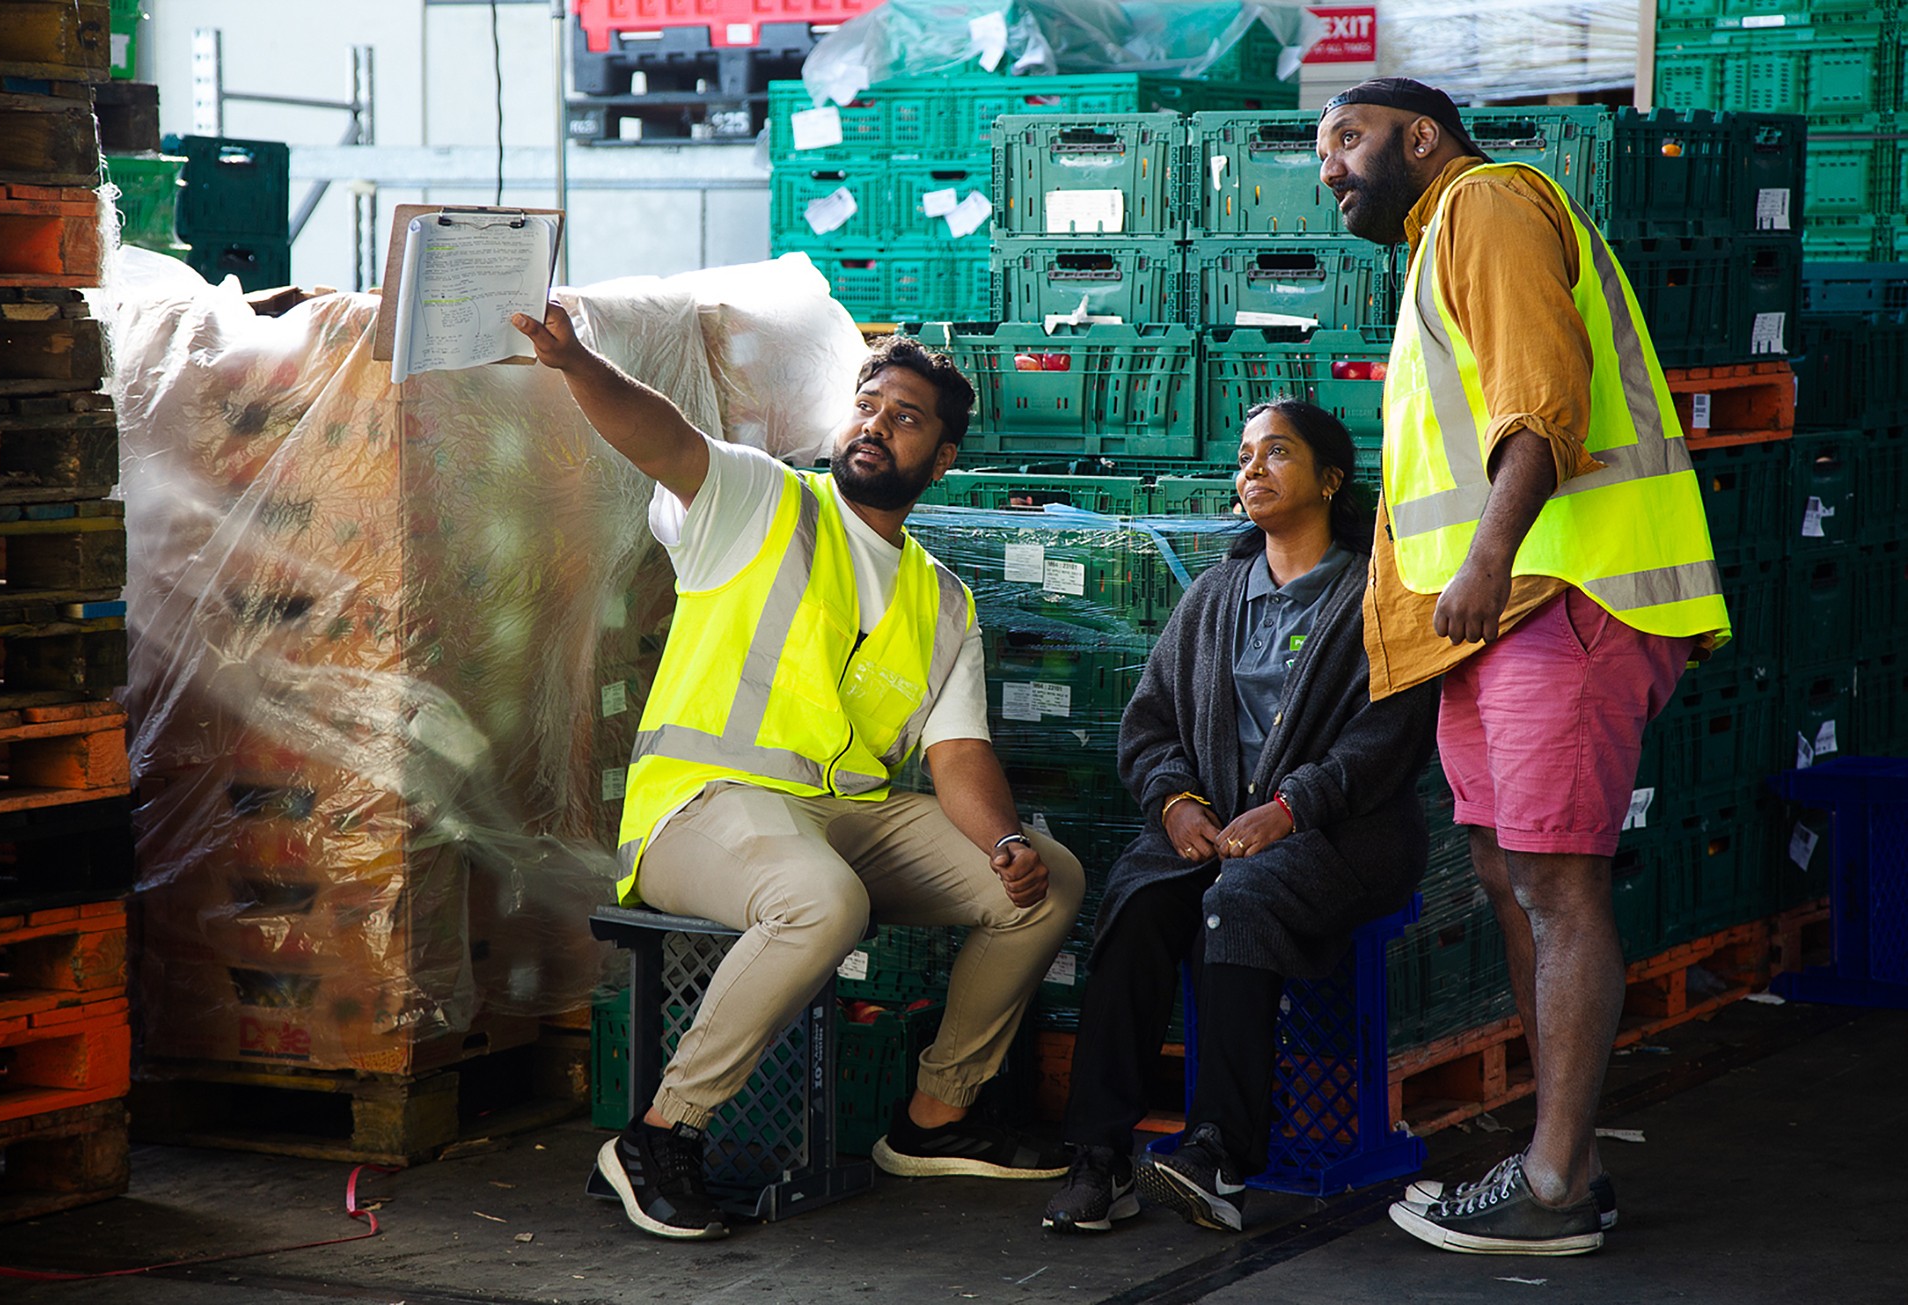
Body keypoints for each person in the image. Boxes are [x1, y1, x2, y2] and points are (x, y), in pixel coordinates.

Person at [513, 304, 1086, 1242]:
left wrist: (1006, 841)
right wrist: (577, 364)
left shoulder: (941, 599)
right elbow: (659, 436)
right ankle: (661, 1133)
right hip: (702, 807)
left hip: (842, 815)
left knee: (1047, 882)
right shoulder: (759, 499)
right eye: (867, 403)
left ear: (942, 460)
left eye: (905, 417)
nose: (875, 423)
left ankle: (934, 1116)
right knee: (823, 901)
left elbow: (959, 753)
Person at [1314, 78, 1731, 1256]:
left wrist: (1491, 560)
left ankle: (1552, 1183)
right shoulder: (1435, 243)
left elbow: (1543, 399)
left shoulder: (1486, 203)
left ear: (1423, 136)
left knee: (1557, 885)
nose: (1330, 167)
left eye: (1347, 138)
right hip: (1492, 624)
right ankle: (1570, 1163)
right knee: (1508, 875)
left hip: (1561, 595)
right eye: (1323, 150)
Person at [1041, 400, 1437, 1235]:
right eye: (1246, 454)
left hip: (1342, 834)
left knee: (1237, 901)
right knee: (1141, 901)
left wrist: (1292, 808)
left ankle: (1218, 1154)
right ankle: (1100, 1156)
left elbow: (1392, 734)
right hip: (1216, 828)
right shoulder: (1218, 593)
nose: (1252, 468)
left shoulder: (1378, 594)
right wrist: (1178, 802)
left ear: (1331, 479)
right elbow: (1149, 723)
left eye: (1278, 453)